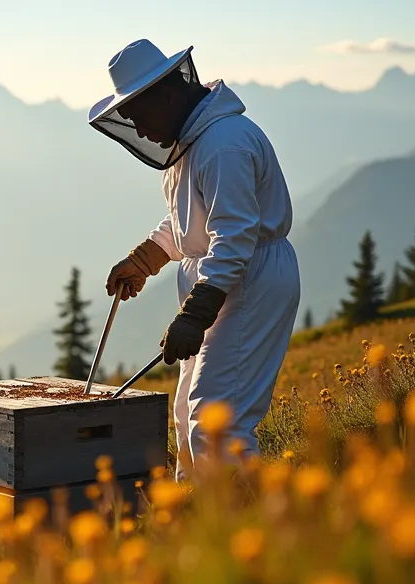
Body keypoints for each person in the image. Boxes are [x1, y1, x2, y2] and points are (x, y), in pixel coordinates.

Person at [88, 38, 300, 481]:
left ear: (165, 95)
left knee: (218, 420)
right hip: (224, 279)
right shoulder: (195, 143)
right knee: (188, 412)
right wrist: (147, 257)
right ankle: (199, 520)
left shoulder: (224, 144)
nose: (141, 132)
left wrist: (197, 312)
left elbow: (235, 236)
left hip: (248, 281)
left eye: (140, 117)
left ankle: (239, 528)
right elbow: (192, 220)